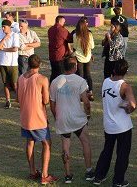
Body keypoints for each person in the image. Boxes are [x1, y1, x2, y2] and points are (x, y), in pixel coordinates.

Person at [50, 56, 94, 184]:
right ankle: (89, 171)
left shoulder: (55, 82)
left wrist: (56, 117)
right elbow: (86, 102)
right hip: (78, 118)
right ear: (75, 67)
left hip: (62, 118)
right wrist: (88, 115)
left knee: (66, 146)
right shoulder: (80, 81)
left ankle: (68, 174)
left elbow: (52, 104)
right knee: (85, 142)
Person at [93, 59, 136, 187]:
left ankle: (98, 176)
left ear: (114, 69)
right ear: (126, 72)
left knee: (107, 150)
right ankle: (118, 180)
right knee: (122, 154)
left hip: (108, 125)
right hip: (123, 127)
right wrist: (127, 108)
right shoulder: (125, 86)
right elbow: (133, 105)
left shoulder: (106, 81)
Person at [17, 54, 56, 184]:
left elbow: (18, 99)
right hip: (38, 117)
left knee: (30, 142)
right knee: (46, 143)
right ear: (39, 65)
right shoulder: (42, 79)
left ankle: (32, 171)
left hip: (25, 117)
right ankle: (44, 175)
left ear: (28, 64)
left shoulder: (21, 78)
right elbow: (45, 100)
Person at [0, 19, 21, 108]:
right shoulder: (0, 35)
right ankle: (7, 100)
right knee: (5, 83)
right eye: (2, 27)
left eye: (5, 27)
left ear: (9, 27)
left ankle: (19, 99)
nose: (3, 28)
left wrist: (4, 49)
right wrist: (4, 39)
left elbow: (15, 49)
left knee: (14, 83)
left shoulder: (15, 35)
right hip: (2, 62)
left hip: (12, 63)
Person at [71, 16, 95, 94]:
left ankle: (81, 92)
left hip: (78, 57)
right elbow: (92, 46)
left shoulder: (75, 35)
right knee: (88, 74)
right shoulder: (90, 34)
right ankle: (90, 91)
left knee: (80, 75)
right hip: (87, 56)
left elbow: (74, 47)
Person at [47, 16, 70, 82]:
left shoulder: (50, 29)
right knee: (61, 74)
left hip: (52, 54)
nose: (64, 23)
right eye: (63, 22)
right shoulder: (62, 30)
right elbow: (69, 39)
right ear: (60, 21)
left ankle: (51, 87)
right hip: (60, 55)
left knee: (54, 73)